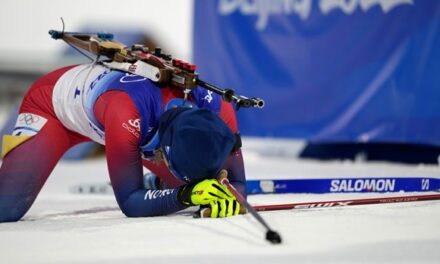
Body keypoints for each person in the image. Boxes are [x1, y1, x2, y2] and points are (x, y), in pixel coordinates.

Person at [0, 62, 247, 222]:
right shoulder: (127, 115)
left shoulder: (220, 108)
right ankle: (162, 180)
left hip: (124, 120)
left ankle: (160, 181)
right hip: (54, 110)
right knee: (6, 209)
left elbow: (237, 182)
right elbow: (130, 202)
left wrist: (228, 193)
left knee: (201, 182)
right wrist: (185, 195)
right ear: (163, 152)